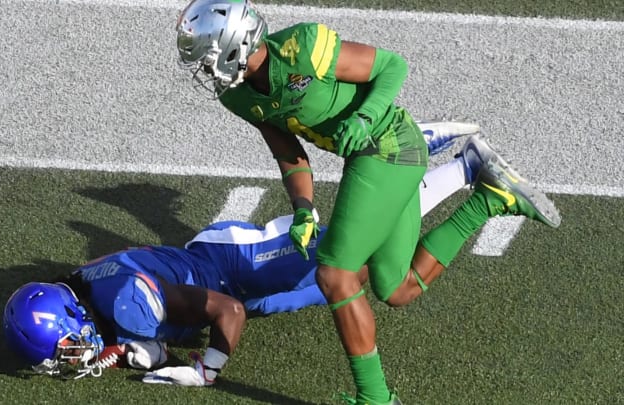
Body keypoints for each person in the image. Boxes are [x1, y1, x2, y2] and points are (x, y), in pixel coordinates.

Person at [174, 1, 561, 403]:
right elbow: (289, 153)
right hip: (376, 156)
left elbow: (391, 66)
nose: (206, 69)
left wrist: (365, 117)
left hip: (389, 144)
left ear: (235, 45)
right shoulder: (237, 96)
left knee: (335, 275)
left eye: (208, 58)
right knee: (396, 289)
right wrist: (303, 208)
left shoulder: (302, 47)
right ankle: (490, 198)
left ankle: (375, 399)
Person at [2, 134, 508, 384]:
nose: (67, 357)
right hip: (230, 285)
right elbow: (141, 330)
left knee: (360, 240)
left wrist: (207, 370)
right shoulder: (90, 291)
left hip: (234, 265)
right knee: (382, 281)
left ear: (72, 314)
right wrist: (143, 351)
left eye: (64, 345)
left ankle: (435, 157)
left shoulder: (126, 301)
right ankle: (485, 195)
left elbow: (228, 312)